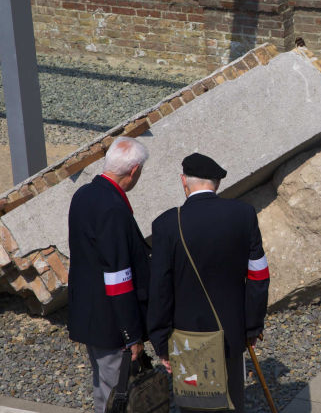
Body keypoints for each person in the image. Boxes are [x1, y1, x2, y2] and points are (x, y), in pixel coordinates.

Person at [147, 153, 270, 412]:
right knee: (232, 400)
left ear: (184, 181)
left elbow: (159, 289)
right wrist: (252, 325)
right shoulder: (243, 214)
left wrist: (161, 341)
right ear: (217, 183)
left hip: (186, 336)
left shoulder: (167, 224)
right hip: (231, 331)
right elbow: (259, 275)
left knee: (195, 405)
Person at [67, 136, 151, 413]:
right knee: (118, 394)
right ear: (134, 170)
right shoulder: (113, 207)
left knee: (102, 386)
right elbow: (118, 276)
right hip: (111, 320)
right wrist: (131, 334)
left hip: (90, 312)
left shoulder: (84, 195)